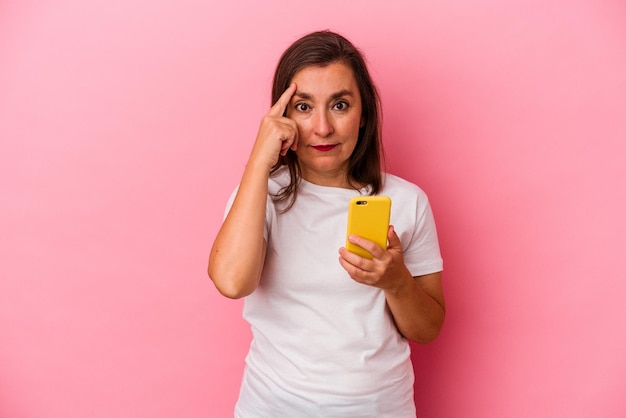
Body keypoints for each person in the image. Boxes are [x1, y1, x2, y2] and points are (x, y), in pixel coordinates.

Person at [208, 30, 445, 417]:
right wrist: (259, 159)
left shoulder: (407, 201)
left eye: (339, 105)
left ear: (363, 113)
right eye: (303, 107)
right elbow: (232, 282)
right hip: (273, 407)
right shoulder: (258, 195)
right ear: (281, 117)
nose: (322, 128)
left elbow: (428, 329)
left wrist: (396, 281)